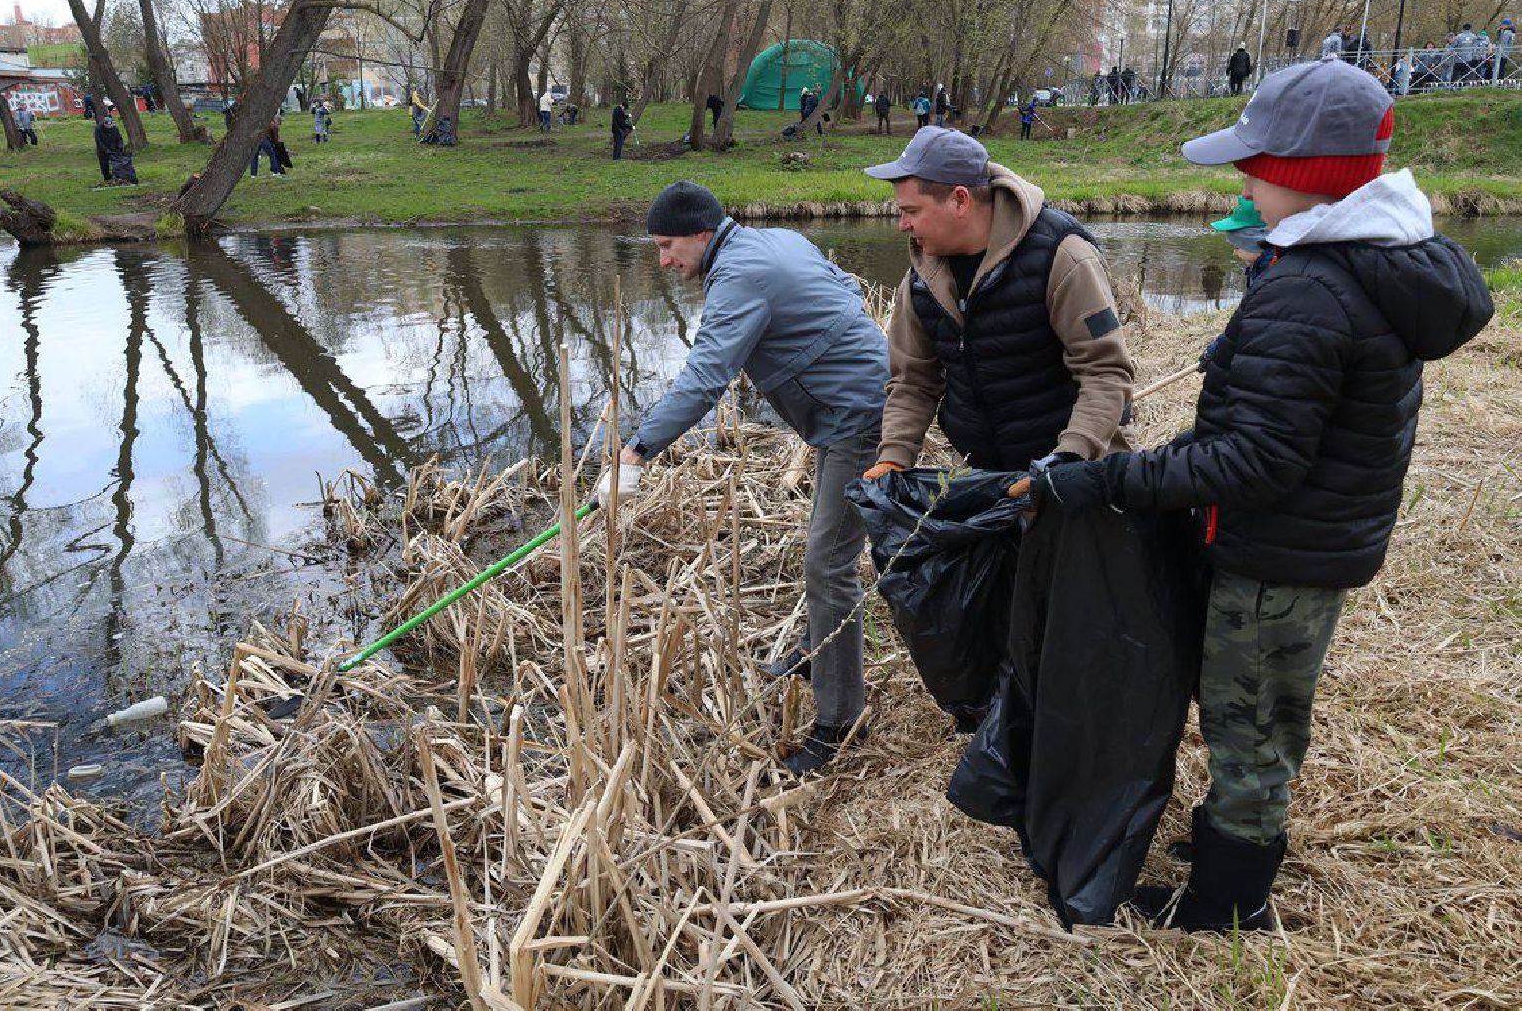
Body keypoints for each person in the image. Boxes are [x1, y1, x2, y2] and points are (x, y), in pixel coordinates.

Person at [1021, 58, 1493, 933]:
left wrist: (1113, 478)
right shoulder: (1363, 261)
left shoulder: (1309, 291)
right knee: (1255, 707)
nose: (1241, 183)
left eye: (1254, 167)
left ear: (1300, 175)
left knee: (1252, 724)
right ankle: (1232, 842)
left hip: (1282, 552)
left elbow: (1253, 462)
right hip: (1312, 540)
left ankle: (1228, 900)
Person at [596, 181, 889, 775]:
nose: (664, 260)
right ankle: (817, 650)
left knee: (828, 563)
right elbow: (848, 289)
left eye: (669, 245)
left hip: (858, 416)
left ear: (703, 233)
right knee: (826, 544)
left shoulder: (738, 277)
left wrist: (637, 450)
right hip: (853, 405)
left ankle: (839, 722)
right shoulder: (772, 241)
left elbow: (706, 377)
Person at [861, 128, 1135, 723]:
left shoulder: (1062, 256)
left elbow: (1106, 373)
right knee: (1011, 601)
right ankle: (1011, 713)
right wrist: (893, 456)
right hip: (993, 469)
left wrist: (1069, 459)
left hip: (1077, 466)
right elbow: (913, 380)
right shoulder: (922, 276)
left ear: (960, 200)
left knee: (1078, 607)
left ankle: (1084, 720)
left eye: (911, 211)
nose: (901, 224)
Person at [251, 112, 285, 177]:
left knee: (254, 155)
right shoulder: (274, 125)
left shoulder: (266, 121)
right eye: (279, 123)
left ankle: (253, 174)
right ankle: (276, 171)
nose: (279, 125)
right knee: (272, 154)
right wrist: (278, 144)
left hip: (255, 138)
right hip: (263, 138)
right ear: (277, 121)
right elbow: (275, 138)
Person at [93, 111, 122, 182]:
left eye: (110, 126)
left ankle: (118, 177)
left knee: (118, 164)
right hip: (103, 150)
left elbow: (119, 139)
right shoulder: (98, 129)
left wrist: (120, 146)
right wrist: (105, 150)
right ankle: (107, 179)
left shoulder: (115, 129)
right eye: (107, 127)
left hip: (114, 148)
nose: (109, 128)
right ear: (104, 124)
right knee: (104, 166)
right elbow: (99, 142)